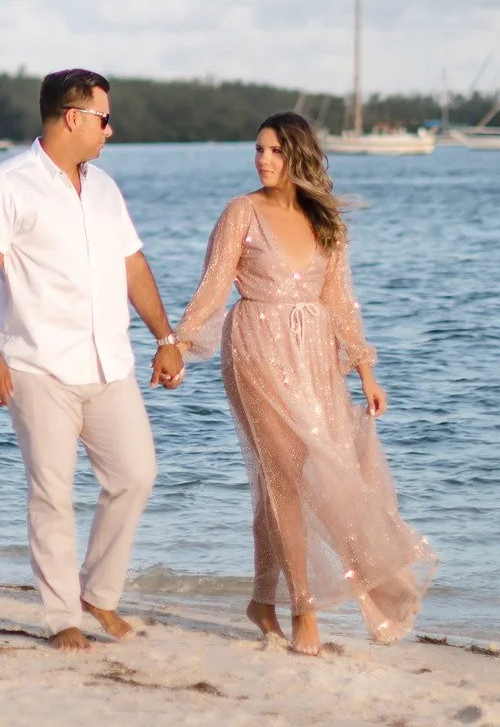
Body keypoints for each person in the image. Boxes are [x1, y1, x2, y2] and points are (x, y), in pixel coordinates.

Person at [174, 111, 434, 654]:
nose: (263, 160)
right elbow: (214, 287)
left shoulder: (326, 224)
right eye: (258, 150)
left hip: (313, 355)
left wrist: (365, 370)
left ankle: (262, 600)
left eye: (274, 151)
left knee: (298, 474)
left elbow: (339, 302)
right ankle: (304, 608)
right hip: (255, 349)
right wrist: (177, 343)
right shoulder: (240, 212)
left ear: (298, 155)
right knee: (289, 472)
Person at [0, 68, 186, 651]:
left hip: (110, 363)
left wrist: (166, 336)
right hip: (38, 365)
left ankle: (98, 594)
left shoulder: (107, 188)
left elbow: (132, 266)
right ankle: (64, 616)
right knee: (52, 493)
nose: (110, 130)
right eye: (104, 118)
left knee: (136, 475)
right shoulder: (6, 183)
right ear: (73, 117)